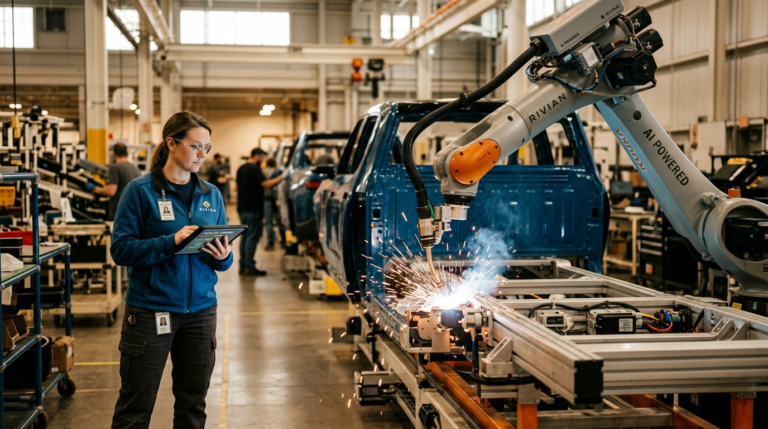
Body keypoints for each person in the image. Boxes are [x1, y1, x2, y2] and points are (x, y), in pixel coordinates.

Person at [110, 111, 233, 429]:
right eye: (195, 146)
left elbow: (222, 259)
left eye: (206, 148)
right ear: (171, 143)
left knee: (193, 407)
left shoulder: (211, 195)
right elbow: (121, 250)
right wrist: (170, 242)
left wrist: (222, 256)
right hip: (153, 312)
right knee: (136, 407)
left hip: (201, 313)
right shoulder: (140, 192)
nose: (202, 155)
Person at [235, 148, 284, 276]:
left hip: (242, 208)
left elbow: (236, 187)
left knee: (245, 237)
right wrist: (282, 177)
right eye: (262, 157)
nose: (263, 160)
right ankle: (249, 267)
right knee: (252, 237)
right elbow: (266, 184)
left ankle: (243, 266)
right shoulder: (254, 169)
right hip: (253, 209)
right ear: (256, 156)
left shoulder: (241, 168)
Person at [94, 143, 141, 221]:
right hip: (134, 214)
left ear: (114, 154)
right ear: (127, 153)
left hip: (120, 215)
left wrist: (96, 189)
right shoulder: (135, 169)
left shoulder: (115, 167)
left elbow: (111, 191)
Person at [262, 157, 277, 251]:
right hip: (276, 198)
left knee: (269, 222)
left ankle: (271, 243)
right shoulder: (276, 172)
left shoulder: (263, 171)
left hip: (266, 199)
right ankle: (285, 240)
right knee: (280, 221)